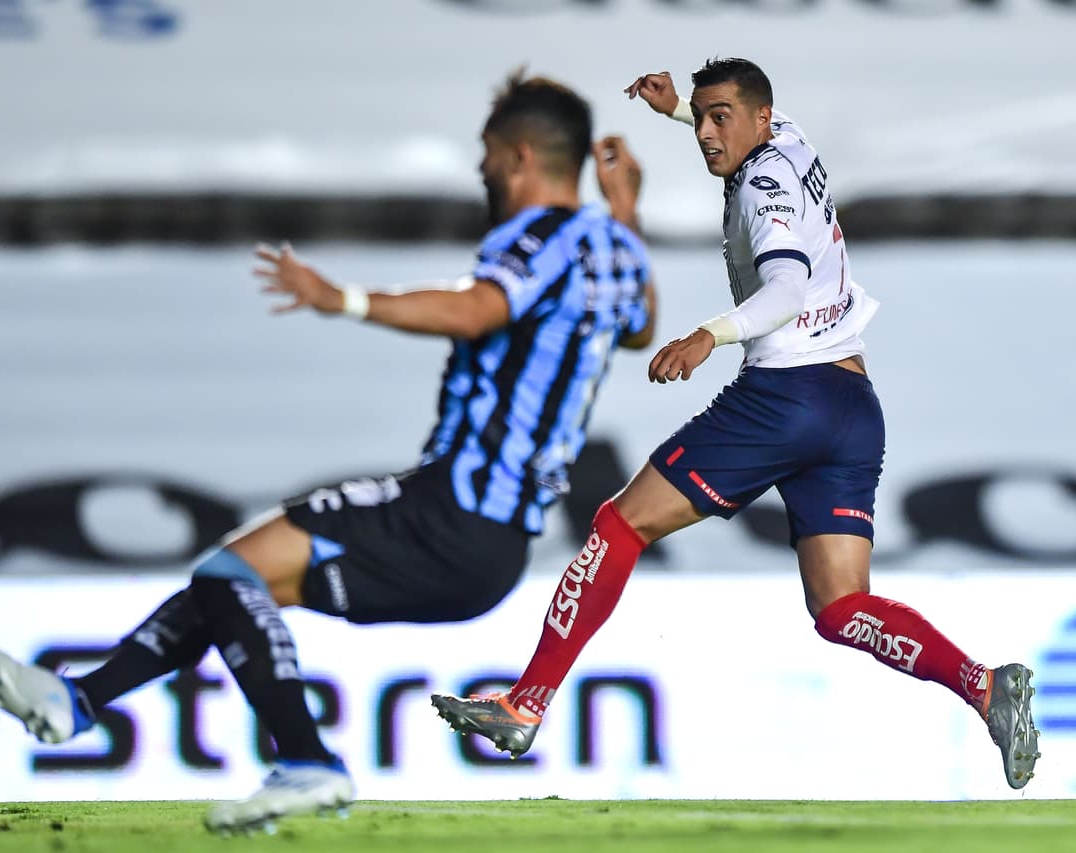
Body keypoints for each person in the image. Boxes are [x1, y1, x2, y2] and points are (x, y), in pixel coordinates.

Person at [0, 73, 657, 832]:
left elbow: (479, 309)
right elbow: (638, 326)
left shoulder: (541, 235)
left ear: (518, 156)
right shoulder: (612, 246)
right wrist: (628, 210)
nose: (479, 171)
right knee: (236, 585)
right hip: (494, 549)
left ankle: (306, 760)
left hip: (453, 506)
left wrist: (343, 298)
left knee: (228, 572)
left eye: (486, 154)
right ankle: (77, 700)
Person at [432, 58, 1041, 790]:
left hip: (784, 399)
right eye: (703, 117)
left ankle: (527, 701)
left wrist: (705, 337)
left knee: (618, 527)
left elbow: (785, 286)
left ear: (758, 116)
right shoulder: (789, 137)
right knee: (843, 605)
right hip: (853, 406)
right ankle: (983, 684)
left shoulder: (761, 187)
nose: (709, 133)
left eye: (722, 117)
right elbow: (740, 130)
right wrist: (674, 112)